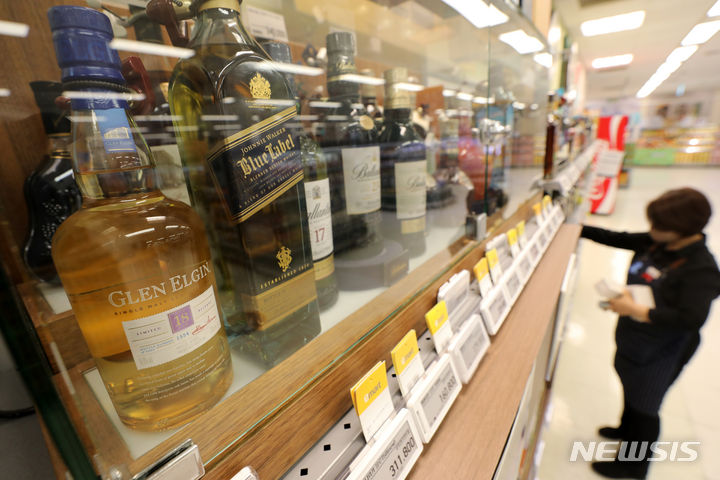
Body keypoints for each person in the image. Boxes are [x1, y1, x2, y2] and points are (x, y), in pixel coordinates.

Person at [580, 187, 720, 479]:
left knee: (646, 405)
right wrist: (575, 229)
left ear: (683, 229)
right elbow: (617, 238)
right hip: (634, 337)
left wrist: (637, 310)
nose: (652, 229)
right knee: (630, 386)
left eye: (660, 225)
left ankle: (634, 465)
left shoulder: (701, 269)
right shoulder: (657, 243)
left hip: (663, 349)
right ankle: (625, 428)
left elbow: (691, 318)